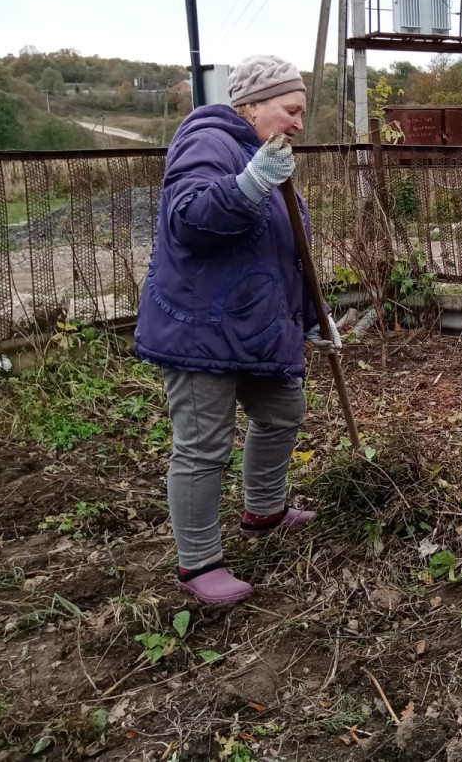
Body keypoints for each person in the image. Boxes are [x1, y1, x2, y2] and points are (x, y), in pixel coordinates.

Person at [135, 55, 340, 605]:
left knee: (282, 413)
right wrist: (247, 188)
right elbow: (189, 217)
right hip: (201, 326)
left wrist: (313, 315)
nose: (299, 123)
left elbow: (281, 252)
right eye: (290, 110)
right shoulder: (208, 140)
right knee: (203, 445)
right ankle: (198, 564)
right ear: (252, 104)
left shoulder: (260, 153)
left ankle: (265, 510)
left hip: (254, 324)